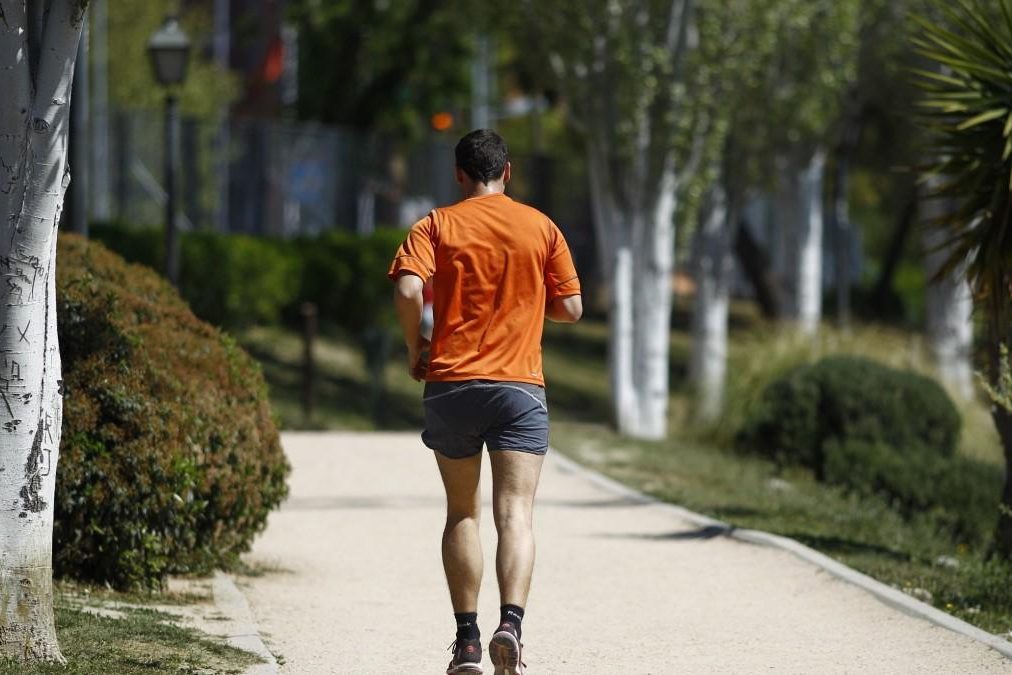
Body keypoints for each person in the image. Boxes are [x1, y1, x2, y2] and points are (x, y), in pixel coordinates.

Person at [388, 129, 582, 675]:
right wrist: (525, 299)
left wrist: (415, 346)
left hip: (451, 383)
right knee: (515, 512)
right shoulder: (541, 226)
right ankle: (511, 625)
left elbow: (407, 289)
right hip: (520, 386)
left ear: (458, 174)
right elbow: (571, 306)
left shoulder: (437, 224)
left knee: (461, 512)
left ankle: (468, 642)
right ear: (509, 172)